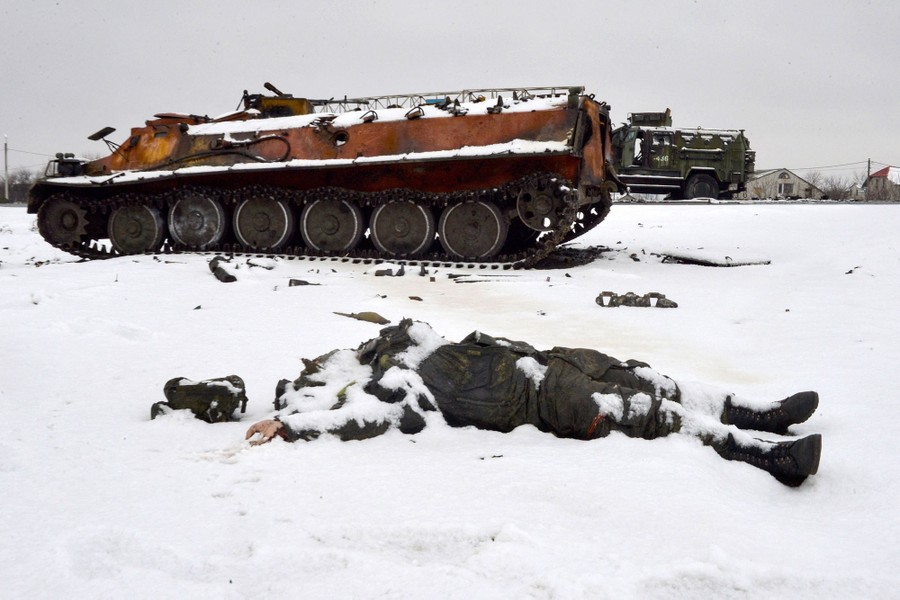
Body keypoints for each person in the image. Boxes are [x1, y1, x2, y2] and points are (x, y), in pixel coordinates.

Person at [246, 319, 822, 486]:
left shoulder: (418, 341)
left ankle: (761, 412)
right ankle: (764, 454)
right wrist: (293, 428)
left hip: (548, 356)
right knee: (642, 412)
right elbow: (363, 421)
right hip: (541, 396)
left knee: (652, 380)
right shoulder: (396, 387)